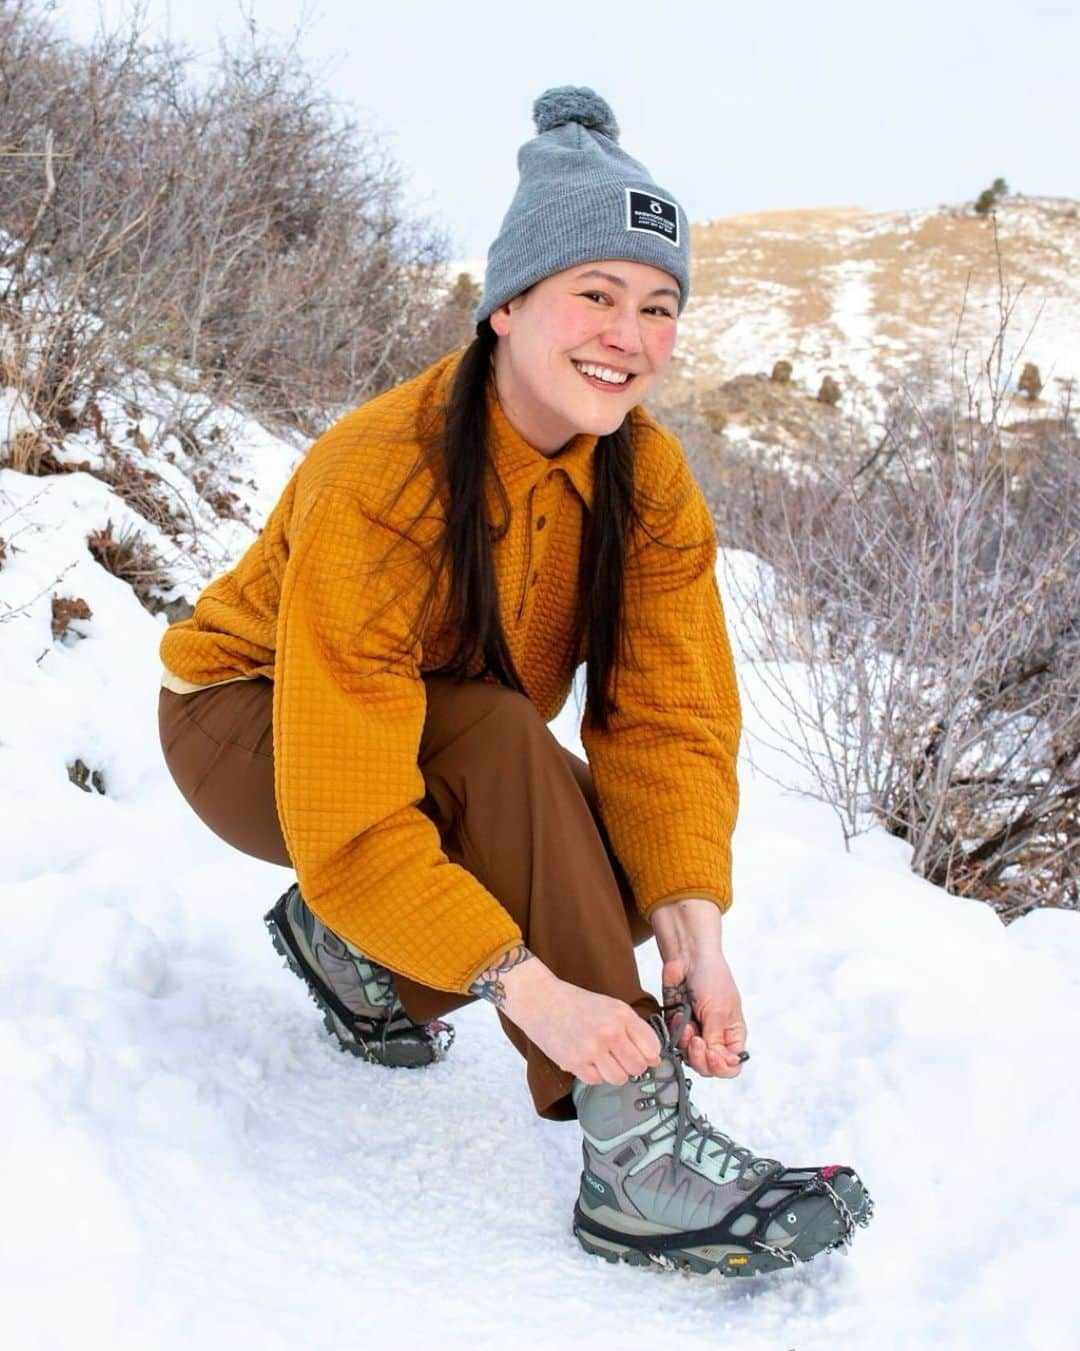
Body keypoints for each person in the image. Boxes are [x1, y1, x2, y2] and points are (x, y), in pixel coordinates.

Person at [157, 85, 872, 1276]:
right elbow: (348, 799)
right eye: (594, 293)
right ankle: (637, 1154)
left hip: (433, 731)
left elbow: (668, 718)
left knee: (565, 804)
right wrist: (527, 987)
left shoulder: (646, 479)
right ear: (507, 308)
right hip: (250, 727)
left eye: (658, 306)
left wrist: (690, 928)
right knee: (499, 743)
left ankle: (357, 957)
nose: (626, 334)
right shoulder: (380, 472)